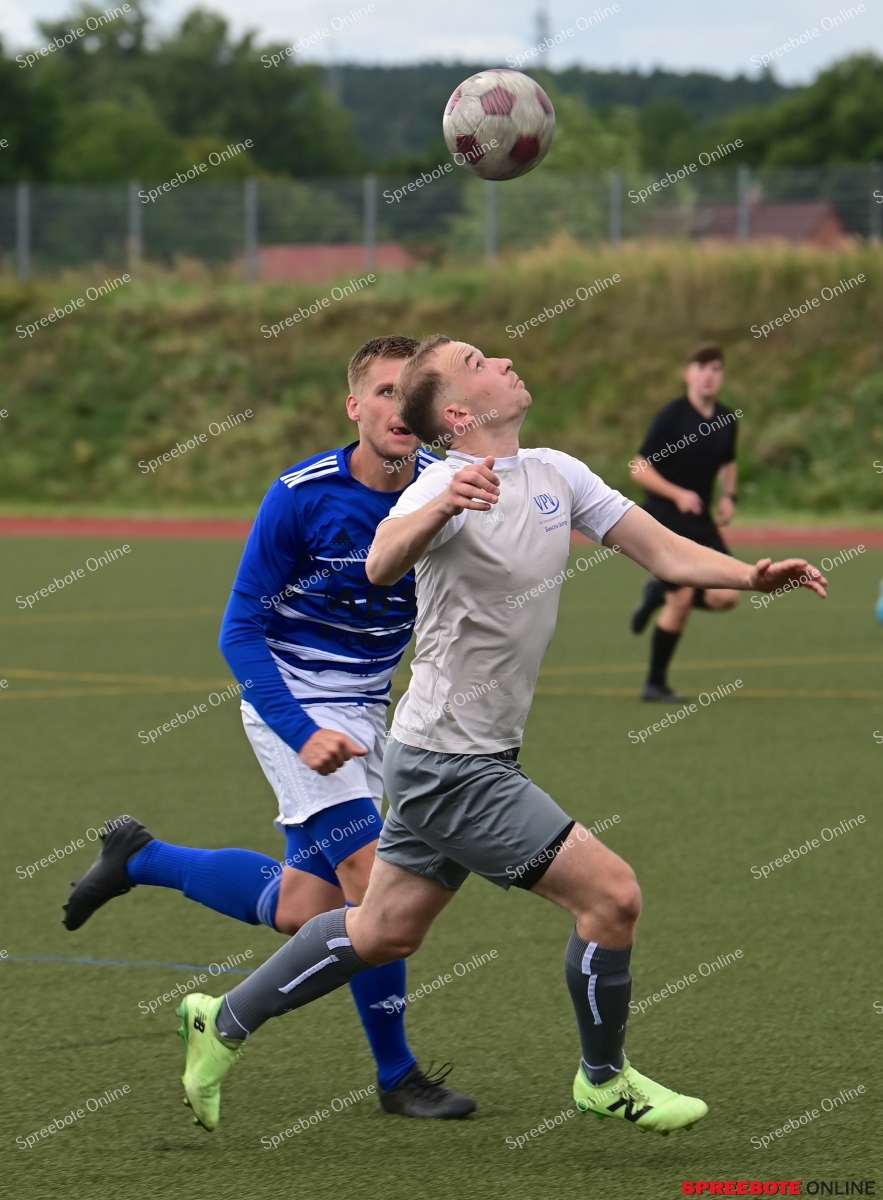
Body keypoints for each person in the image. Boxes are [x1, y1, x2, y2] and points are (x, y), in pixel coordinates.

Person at [172, 335, 826, 1136]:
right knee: (612, 896)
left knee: (382, 929)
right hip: (450, 765)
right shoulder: (438, 484)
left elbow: (658, 549)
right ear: (456, 413)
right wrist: (441, 506)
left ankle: (221, 1020)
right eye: (479, 363)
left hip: (443, 753)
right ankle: (602, 1079)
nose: (505, 363)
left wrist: (748, 575)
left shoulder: (556, 472)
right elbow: (381, 561)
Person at [62, 335, 475, 1123]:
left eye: (413, 394)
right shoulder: (299, 494)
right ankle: (397, 1075)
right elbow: (239, 631)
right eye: (384, 392)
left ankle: (140, 858)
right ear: (353, 406)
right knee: (374, 890)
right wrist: (299, 731)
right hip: (295, 702)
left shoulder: (443, 485)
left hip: (371, 709)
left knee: (300, 907)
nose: (400, 408)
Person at [628, 343, 742, 701]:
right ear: (688, 374)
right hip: (664, 517)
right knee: (683, 595)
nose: (709, 375)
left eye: (716, 369)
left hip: (700, 520)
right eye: (702, 367)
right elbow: (638, 468)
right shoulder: (673, 415)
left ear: (722, 377)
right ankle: (655, 684)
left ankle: (657, 592)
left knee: (726, 596)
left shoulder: (727, 419)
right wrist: (676, 494)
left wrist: (729, 496)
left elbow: (729, 461)